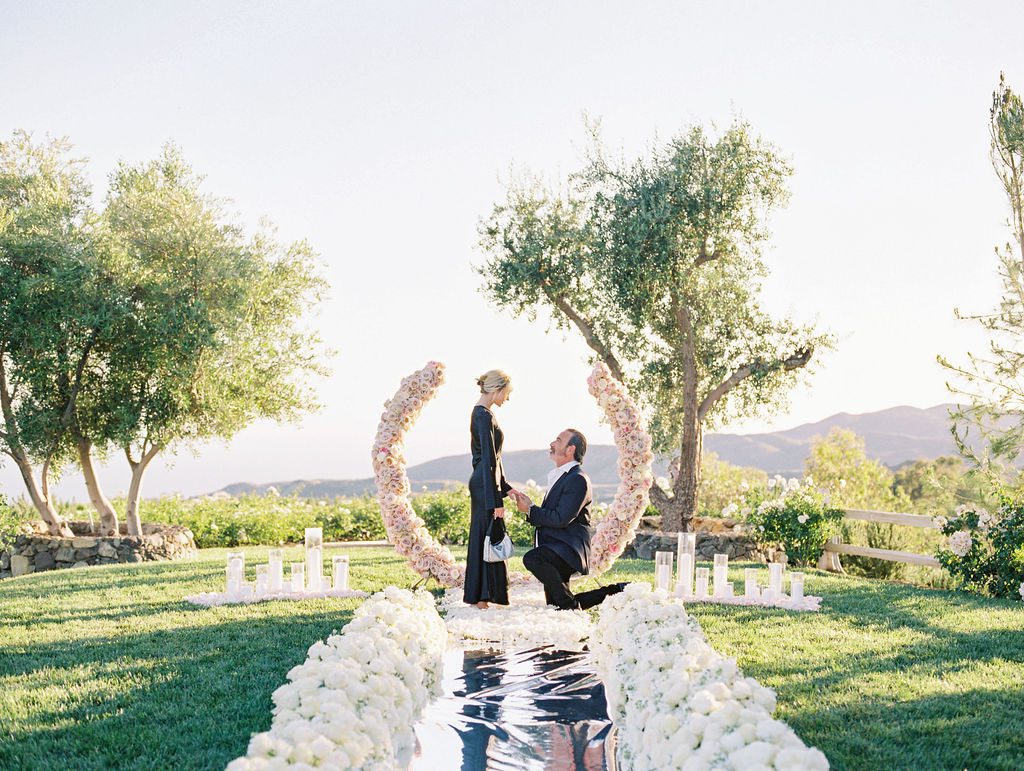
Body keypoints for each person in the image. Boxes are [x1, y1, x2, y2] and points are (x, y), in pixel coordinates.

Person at [510, 428, 625, 610]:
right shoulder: (563, 476)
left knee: (533, 559)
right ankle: (617, 591)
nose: (552, 444)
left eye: (558, 440)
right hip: (556, 547)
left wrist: (531, 510)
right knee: (557, 605)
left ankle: (572, 605)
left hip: (568, 550)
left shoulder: (578, 479)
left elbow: (561, 519)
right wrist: (528, 507)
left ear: (570, 449)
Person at [463, 369, 514, 609]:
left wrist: (506, 488)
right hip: (484, 484)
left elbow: (492, 460)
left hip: (485, 482)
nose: (507, 398)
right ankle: (480, 597)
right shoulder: (483, 415)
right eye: (507, 393)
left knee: (488, 537)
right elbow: (489, 461)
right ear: (497, 389)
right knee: (486, 537)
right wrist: (496, 500)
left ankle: (485, 595)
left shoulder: (483, 414)